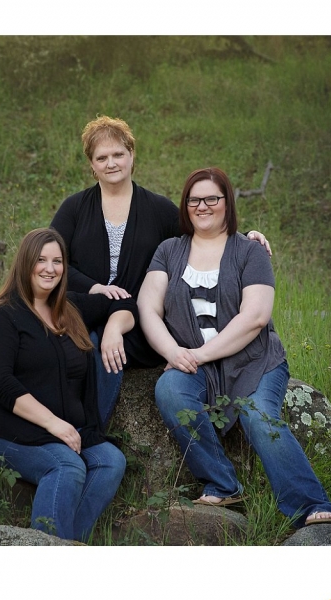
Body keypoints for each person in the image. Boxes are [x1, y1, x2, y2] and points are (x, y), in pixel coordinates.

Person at [137, 167, 331, 528]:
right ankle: (223, 484)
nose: (202, 206)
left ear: (227, 203)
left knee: (258, 415)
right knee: (170, 390)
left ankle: (309, 504)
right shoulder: (169, 251)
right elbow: (147, 307)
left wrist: (196, 355)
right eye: (194, 199)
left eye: (211, 198)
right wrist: (172, 352)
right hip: (196, 367)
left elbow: (256, 316)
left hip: (254, 361)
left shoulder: (250, 250)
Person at [50, 115, 272, 426]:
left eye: (118, 154)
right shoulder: (73, 209)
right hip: (83, 307)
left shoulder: (158, 209)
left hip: (138, 321)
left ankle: (92, 431)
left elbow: (203, 230)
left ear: (132, 156)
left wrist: (247, 235)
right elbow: (50, 260)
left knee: (100, 344)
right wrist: (94, 288)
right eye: (102, 157)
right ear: (91, 164)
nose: (111, 163)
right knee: (69, 341)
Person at [0, 227, 132, 542]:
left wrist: (112, 331)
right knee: (66, 466)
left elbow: (123, 305)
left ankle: (69, 543)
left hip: (56, 430)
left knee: (110, 461)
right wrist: (55, 425)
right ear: (25, 263)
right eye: (41, 260)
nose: (50, 268)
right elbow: (0, 383)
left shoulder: (70, 308)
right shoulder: (1, 316)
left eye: (57, 261)